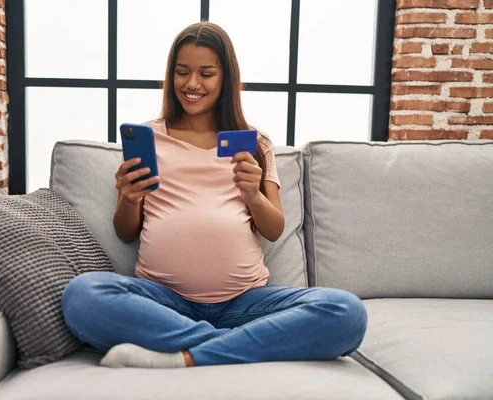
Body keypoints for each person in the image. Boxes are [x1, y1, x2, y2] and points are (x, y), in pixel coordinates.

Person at [61, 21, 367, 368]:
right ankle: (235, 348)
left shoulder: (254, 142)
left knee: (348, 313)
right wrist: (129, 198)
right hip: (163, 303)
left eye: (206, 73)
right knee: (82, 296)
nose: (192, 84)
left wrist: (253, 195)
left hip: (246, 304)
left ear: (226, 79)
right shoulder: (149, 138)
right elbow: (125, 231)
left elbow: (274, 229)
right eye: (182, 72)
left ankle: (184, 355)